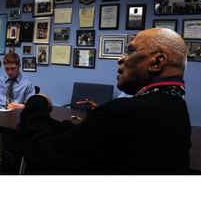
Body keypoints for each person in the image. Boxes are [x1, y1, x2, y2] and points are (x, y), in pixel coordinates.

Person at [20, 28, 191, 174]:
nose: (121, 59)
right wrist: (52, 124)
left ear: (157, 61)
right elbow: (93, 135)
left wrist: (37, 101)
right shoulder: (175, 107)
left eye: (130, 51)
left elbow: (40, 156)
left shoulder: (123, 114)